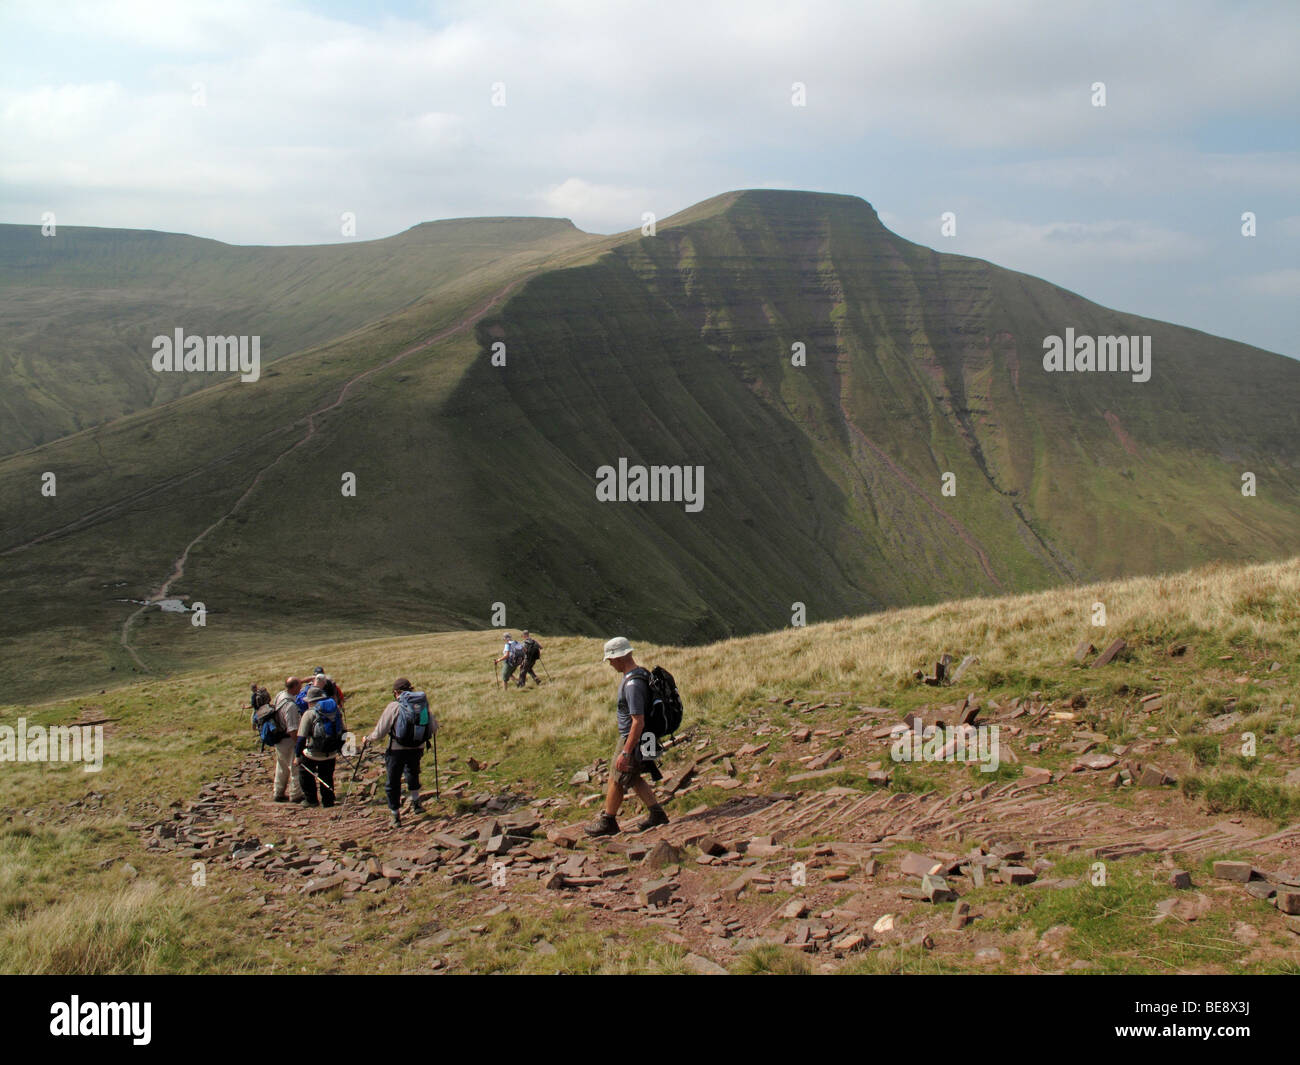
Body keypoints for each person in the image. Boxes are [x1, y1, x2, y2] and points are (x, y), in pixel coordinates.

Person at [585, 636, 669, 837]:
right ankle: (657, 814)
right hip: (644, 736)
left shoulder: (632, 685)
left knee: (616, 777)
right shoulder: (642, 673)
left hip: (633, 737)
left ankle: (609, 821)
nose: (610, 664)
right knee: (632, 776)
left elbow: (637, 721)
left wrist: (625, 751)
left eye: (611, 659)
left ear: (620, 657)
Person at [361, 677, 435, 828]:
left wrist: (368, 739)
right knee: (413, 773)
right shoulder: (421, 705)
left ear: (396, 692)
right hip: (418, 747)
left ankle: (395, 816)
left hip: (397, 749)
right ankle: (416, 804)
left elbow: (381, 731)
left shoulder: (394, 706)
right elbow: (433, 727)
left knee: (393, 782)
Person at [294, 686, 346, 807]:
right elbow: (344, 732)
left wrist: (297, 755)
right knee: (327, 776)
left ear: (311, 701)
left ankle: (311, 800)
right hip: (331, 752)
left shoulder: (309, 714)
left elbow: (301, 738)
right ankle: (328, 801)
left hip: (313, 753)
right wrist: (340, 747)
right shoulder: (335, 711)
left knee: (305, 775)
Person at [270, 676, 305, 803]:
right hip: (288, 739)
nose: (301, 689)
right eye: (299, 686)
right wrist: (298, 745)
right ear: (294, 687)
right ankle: (295, 794)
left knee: (282, 766)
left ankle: (278, 792)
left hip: (279, 739)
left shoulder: (280, 695)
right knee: (295, 766)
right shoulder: (290, 706)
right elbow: (292, 729)